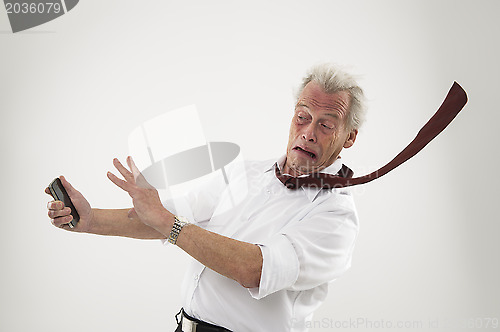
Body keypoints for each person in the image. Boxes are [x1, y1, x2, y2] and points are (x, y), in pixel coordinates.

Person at [46, 63, 367, 332]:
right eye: (303, 116)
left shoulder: (336, 216)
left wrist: (168, 223)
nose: (309, 132)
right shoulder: (247, 172)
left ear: (348, 137)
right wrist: (89, 220)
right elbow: (161, 215)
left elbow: (254, 269)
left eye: (326, 125)